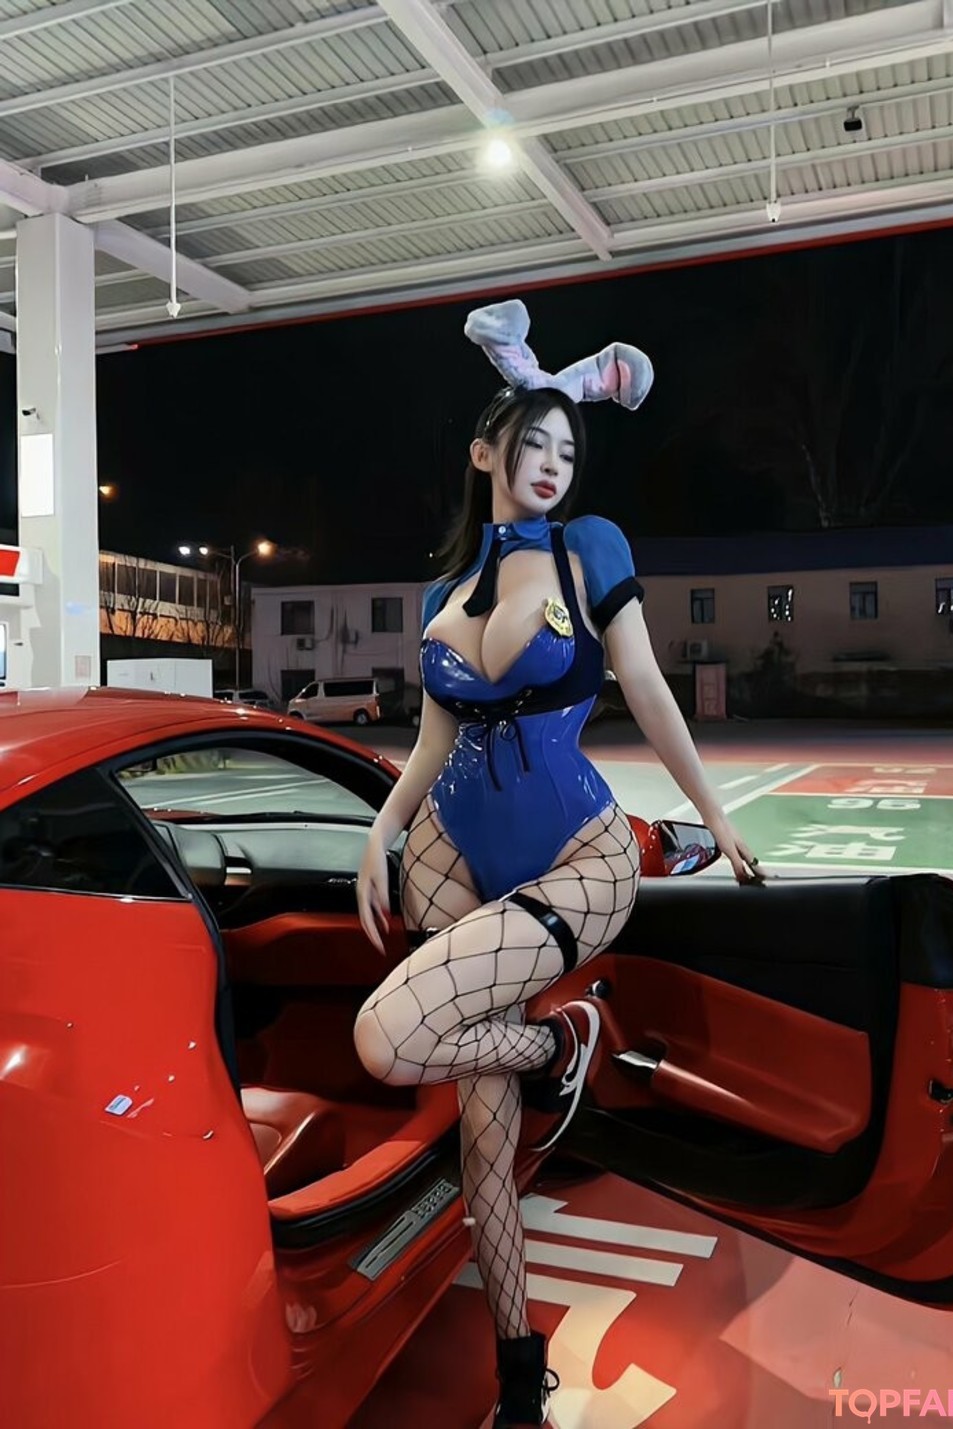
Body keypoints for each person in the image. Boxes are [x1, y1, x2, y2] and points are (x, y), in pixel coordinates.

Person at [353, 300, 759, 1428]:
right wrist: (382, 829)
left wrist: (713, 814)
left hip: (581, 850)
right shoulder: (439, 593)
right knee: (482, 1134)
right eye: (532, 444)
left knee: (388, 1037)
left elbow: (646, 687)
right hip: (450, 847)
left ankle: (560, 1043)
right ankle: (516, 1369)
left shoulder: (592, 550)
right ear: (485, 451)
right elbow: (433, 740)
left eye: (568, 452)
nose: (551, 466)